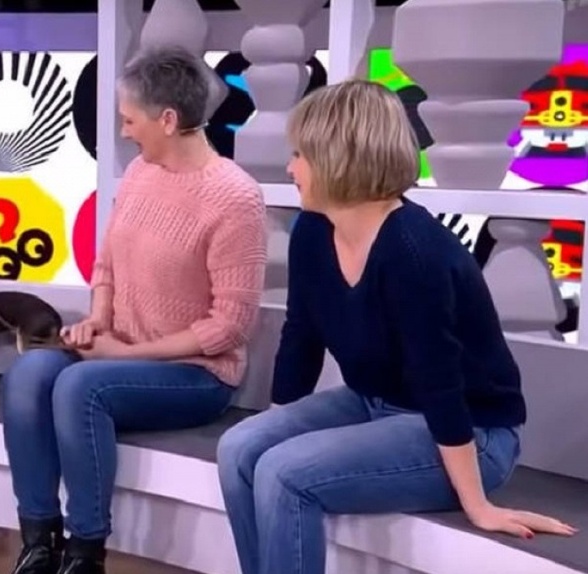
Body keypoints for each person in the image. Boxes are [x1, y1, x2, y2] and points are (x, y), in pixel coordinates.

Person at [215, 79, 577, 574]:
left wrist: (478, 505)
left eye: (300, 155)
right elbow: (301, 337)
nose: (290, 168)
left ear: (338, 159)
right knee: (241, 447)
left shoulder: (414, 251)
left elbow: (441, 383)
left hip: (472, 432)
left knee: (283, 472)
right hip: (375, 402)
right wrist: (276, 426)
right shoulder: (314, 232)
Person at [1, 47, 268, 574]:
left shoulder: (235, 198)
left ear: (167, 119)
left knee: (79, 386)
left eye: (129, 120)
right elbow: (107, 264)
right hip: (118, 350)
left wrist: (125, 355)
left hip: (195, 374)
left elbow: (230, 327)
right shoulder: (142, 173)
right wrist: (97, 321)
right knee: (28, 374)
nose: (123, 132)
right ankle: (38, 543)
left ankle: (85, 553)